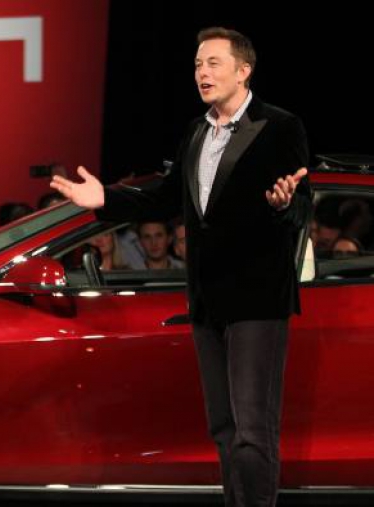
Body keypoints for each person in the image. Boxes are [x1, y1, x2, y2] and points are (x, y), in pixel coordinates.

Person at [50, 27, 311, 507]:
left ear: (243, 70)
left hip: (256, 299)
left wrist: (283, 204)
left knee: (253, 430)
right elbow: (164, 198)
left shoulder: (279, 126)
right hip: (207, 300)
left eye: (212, 63)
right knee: (224, 427)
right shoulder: (196, 131)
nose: (201, 73)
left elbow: (298, 205)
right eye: (196, 64)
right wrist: (106, 198)